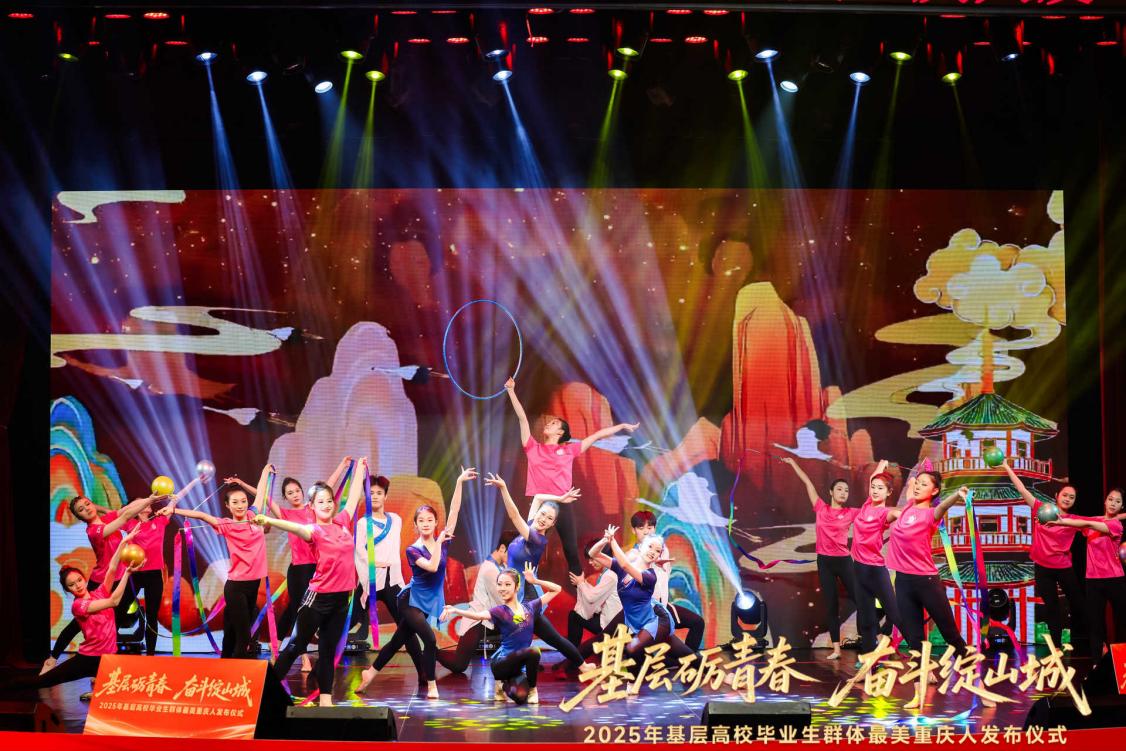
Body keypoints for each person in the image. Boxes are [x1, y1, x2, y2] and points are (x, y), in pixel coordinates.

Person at [356, 466, 474, 700]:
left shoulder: (443, 541)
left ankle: (370, 673)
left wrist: (459, 482)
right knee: (429, 639)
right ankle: (431, 684)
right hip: (410, 601)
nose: (426, 523)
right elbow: (432, 567)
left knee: (397, 641)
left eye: (430, 520)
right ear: (416, 526)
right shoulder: (413, 549)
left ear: (436, 522)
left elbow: (454, 510)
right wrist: (440, 543)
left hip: (428, 603)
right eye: (421, 520)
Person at [225, 457, 350, 672]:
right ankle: (301, 657)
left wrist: (343, 466)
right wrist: (242, 484)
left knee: (306, 614)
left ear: (305, 493)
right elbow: (263, 497)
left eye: (297, 491)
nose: (295, 495)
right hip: (299, 570)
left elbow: (327, 486)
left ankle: (284, 650)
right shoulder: (285, 514)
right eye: (290, 493)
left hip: (319, 570)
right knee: (298, 612)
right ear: (285, 497)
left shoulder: (313, 509)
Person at [504, 377, 638, 576]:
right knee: (529, 545)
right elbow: (522, 418)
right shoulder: (533, 448)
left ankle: (580, 590)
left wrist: (621, 427)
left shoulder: (569, 450)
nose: (548, 423)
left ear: (560, 432)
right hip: (540, 503)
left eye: (554, 423)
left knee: (570, 550)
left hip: (563, 503)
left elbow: (596, 436)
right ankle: (520, 581)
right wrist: (511, 391)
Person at [261, 459, 368, 705]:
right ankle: (265, 694)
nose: (327, 505)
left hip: (341, 600)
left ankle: (326, 701)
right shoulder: (313, 530)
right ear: (312, 506)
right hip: (317, 599)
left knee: (328, 652)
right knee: (296, 646)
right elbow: (293, 527)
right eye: (321, 502)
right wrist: (270, 521)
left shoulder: (342, 522)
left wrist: (360, 470)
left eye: (329, 501)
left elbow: (353, 498)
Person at [886, 470, 992, 709]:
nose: (917, 486)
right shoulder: (907, 507)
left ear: (934, 491)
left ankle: (980, 686)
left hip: (927, 582)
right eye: (917, 483)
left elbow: (942, 507)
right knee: (915, 641)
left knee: (952, 637)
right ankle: (918, 694)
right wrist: (913, 478)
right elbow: (911, 484)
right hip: (903, 582)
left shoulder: (930, 515)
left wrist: (956, 495)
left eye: (924, 484)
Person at [14, 528, 144, 691]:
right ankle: (8, 686)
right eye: (71, 585)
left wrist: (124, 542)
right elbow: (114, 601)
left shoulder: (99, 593)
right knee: (42, 682)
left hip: (108, 657)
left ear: (84, 579)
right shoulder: (78, 606)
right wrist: (127, 573)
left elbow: (111, 568)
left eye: (79, 580)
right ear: (68, 590)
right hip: (87, 659)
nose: (77, 585)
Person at [45, 493, 158, 669]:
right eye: (81, 510)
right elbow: (126, 516)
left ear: (92, 504)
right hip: (100, 582)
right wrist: (150, 500)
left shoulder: (107, 518)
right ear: (80, 517)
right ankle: (52, 658)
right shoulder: (93, 531)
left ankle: (103, 667)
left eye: (87, 504)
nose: (86, 509)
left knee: (113, 622)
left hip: (118, 579)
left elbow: (127, 509)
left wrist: (151, 498)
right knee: (77, 625)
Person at [168, 467, 270, 659]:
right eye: (235, 502)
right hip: (236, 588)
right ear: (227, 506)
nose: (240, 505)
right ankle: (241, 674)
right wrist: (173, 509)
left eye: (243, 501)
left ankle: (225, 665)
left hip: (253, 585)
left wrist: (265, 471)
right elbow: (201, 515)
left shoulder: (252, 516)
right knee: (244, 638)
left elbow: (261, 493)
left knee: (231, 635)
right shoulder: (225, 524)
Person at [489, 471, 586, 670]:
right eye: (542, 514)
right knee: (538, 634)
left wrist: (504, 488)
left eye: (549, 518)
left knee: (540, 635)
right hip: (520, 591)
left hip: (526, 595)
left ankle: (578, 664)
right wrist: (560, 499)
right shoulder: (532, 525)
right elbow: (539, 497)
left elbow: (514, 515)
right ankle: (578, 664)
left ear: (553, 524)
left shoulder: (536, 539)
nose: (543, 519)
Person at [588, 526, 694, 693]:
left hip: (658, 620)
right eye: (650, 547)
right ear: (642, 547)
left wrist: (612, 540)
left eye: (657, 551)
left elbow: (625, 564)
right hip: (639, 622)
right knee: (686, 654)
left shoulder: (650, 576)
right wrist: (604, 540)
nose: (653, 552)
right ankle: (720, 675)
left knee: (632, 647)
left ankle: (633, 684)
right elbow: (593, 554)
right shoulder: (619, 568)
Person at [441, 563, 562, 705]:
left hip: (518, 668)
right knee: (533, 651)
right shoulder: (500, 611)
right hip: (501, 663)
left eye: (507, 584)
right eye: (499, 584)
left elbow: (557, 589)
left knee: (520, 697)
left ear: (517, 587)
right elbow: (478, 616)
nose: (502, 588)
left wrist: (535, 581)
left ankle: (503, 687)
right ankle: (532, 690)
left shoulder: (530, 607)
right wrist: (456, 610)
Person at [1000, 459, 1087, 650]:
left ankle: (1095, 642)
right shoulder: (1041, 509)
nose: (1067, 499)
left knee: (1079, 604)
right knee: (1052, 607)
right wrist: (1006, 466)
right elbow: (1022, 489)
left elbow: (1100, 521)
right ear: (1057, 496)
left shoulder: (1074, 520)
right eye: (1065, 495)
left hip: (1063, 568)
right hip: (1042, 568)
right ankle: (1056, 647)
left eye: (1072, 497)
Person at [782, 456, 859, 660]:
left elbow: (874, 509)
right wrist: (793, 463)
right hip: (825, 562)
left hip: (844, 561)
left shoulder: (851, 513)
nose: (843, 493)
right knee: (831, 606)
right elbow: (807, 482)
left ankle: (873, 639)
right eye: (839, 489)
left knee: (861, 600)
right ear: (831, 492)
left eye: (846, 490)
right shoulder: (821, 508)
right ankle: (836, 649)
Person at [1044, 488, 1126, 659]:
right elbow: (1081, 521)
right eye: (1111, 499)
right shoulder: (1095, 519)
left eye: (1118, 501)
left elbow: (1087, 524)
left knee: (1122, 621)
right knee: (1095, 624)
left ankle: (1121, 660)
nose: (1113, 503)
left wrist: (1060, 522)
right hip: (1093, 580)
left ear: (1121, 506)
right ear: (1105, 501)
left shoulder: (1116, 525)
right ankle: (1097, 661)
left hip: (1115, 579)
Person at [437, 531, 515, 674]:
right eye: (513, 553)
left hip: (488, 620)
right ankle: (432, 651)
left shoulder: (500, 567)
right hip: (477, 621)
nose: (515, 558)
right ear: (503, 548)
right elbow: (503, 600)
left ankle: (522, 662)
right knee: (458, 665)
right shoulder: (490, 570)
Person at [850, 460, 905, 658]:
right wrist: (882, 465)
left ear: (889, 492)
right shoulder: (866, 506)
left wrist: (914, 514)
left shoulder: (885, 513)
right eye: (873, 487)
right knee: (866, 620)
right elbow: (874, 478)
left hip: (874, 570)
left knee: (895, 614)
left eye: (880, 488)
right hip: (859, 570)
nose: (875, 491)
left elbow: (897, 514)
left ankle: (920, 655)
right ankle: (868, 660)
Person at [628, 510, 705, 650]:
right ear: (633, 530)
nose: (646, 532)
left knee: (697, 623)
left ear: (654, 529)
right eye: (641, 528)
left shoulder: (663, 550)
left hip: (661, 607)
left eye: (650, 527)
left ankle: (685, 659)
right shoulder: (633, 556)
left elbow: (664, 578)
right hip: (645, 612)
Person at [126, 501, 173, 655]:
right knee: (119, 610)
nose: (146, 503)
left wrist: (174, 497)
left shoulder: (159, 521)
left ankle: (150, 654)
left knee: (152, 616)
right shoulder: (129, 523)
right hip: (135, 573)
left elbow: (174, 502)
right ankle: (108, 650)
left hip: (154, 575)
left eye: (146, 502)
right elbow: (111, 515)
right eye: (141, 503)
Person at [568, 537, 623, 658]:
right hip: (608, 619)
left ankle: (572, 656)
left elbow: (592, 598)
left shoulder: (610, 575)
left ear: (602, 556)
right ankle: (572, 654)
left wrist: (581, 583)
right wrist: (582, 583)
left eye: (592, 558)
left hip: (611, 625)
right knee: (575, 616)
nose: (590, 562)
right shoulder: (608, 573)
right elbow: (595, 595)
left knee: (574, 617)